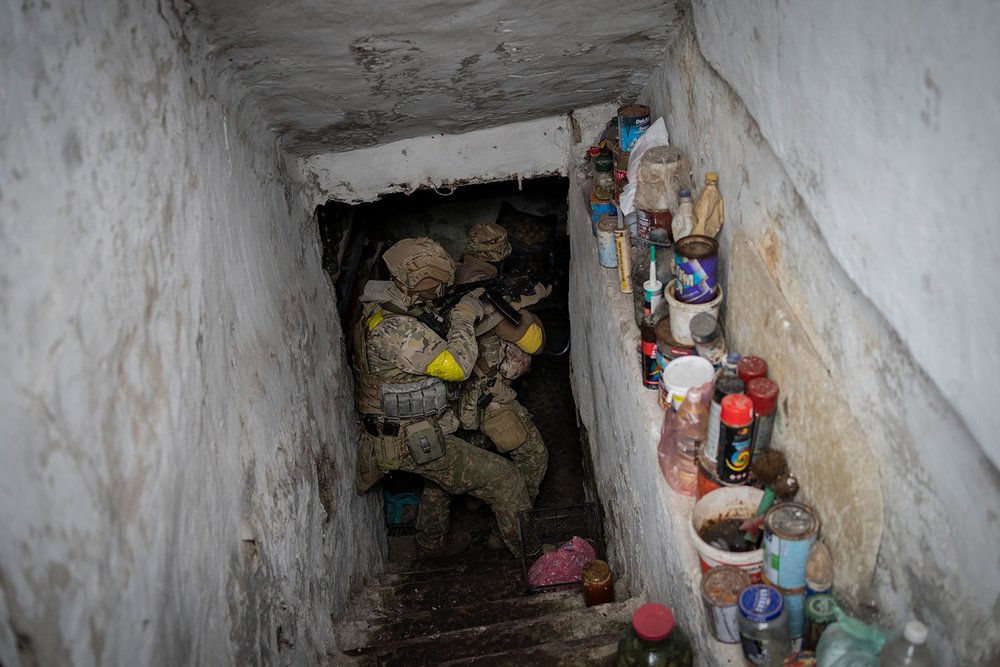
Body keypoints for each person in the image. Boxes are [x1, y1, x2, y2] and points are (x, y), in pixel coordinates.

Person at [351, 237, 530, 557]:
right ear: (418, 282)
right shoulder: (396, 333)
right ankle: (532, 557)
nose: (441, 291)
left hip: (405, 429)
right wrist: (463, 315)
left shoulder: (383, 308)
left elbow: (431, 328)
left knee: (443, 478)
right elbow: (458, 367)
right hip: (409, 439)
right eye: (437, 285)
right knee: (507, 479)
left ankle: (430, 543)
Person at [454, 223, 549, 508]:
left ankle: (440, 528)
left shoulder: (457, 274)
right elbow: (534, 344)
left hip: (462, 391)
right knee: (533, 456)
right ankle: (515, 523)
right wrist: (529, 311)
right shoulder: (486, 294)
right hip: (489, 395)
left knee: (467, 456)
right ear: (501, 254)